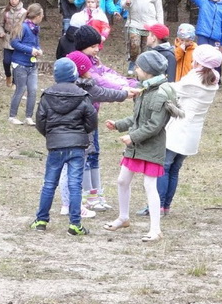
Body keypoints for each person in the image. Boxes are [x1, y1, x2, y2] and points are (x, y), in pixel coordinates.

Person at [103, 50, 183, 243]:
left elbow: (155, 125)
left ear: (148, 71)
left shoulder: (160, 94)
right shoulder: (144, 90)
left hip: (151, 148)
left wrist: (133, 137)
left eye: (138, 67)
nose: (135, 70)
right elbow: (137, 118)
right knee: (122, 180)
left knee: (149, 186)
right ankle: (123, 217)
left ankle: (155, 229)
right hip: (135, 147)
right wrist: (119, 125)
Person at [138, 44, 222, 216]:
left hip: (179, 129)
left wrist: (151, 83)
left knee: (163, 167)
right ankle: (165, 206)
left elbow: (171, 89)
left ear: (199, 63)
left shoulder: (194, 80)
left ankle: (157, 205)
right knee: (174, 169)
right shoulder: (212, 79)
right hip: (193, 131)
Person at [59, 49, 137, 219]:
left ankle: (67, 203)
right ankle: (74, 204)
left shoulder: (62, 88)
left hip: (62, 135)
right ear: (81, 70)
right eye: (88, 68)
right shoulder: (85, 87)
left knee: (65, 168)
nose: (91, 70)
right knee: (75, 169)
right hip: (79, 135)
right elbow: (104, 93)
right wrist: (125, 93)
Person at [30, 58, 97, 236]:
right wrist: (81, 133)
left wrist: (51, 135)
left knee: (49, 184)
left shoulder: (47, 95)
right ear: (74, 75)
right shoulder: (83, 95)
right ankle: (75, 224)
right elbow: (92, 121)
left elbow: (40, 121)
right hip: (77, 146)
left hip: (56, 145)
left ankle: (41, 220)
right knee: (75, 185)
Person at [169, 0, 222, 66]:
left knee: (214, 60)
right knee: (202, 58)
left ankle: (214, 75)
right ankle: (200, 74)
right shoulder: (203, 2)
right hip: (203, 35)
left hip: (216, 38)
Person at [121, 0, 164, 75]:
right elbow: (123, 5)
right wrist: (127, 3)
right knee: (134, 45)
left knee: (146, 48)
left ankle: (144, 67)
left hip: (150, 24)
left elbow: (159, 10)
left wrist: (160, 25)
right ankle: (133, 61)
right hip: (134, 22)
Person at [9, 3, 43, 125]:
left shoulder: (35, 29)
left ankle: (29, 117)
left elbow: (35, 44)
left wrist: (38, 50)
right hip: (20, 64)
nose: (42, 17)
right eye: (42, 15)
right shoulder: (23, 27)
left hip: (32, 65)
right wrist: (30, 50)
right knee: (20, 89)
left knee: (33, 90)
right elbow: (14, 43)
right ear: (37, 16)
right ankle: (12, 116)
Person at [0, 0, 26, 88]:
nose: (13, 1)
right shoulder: (5, 12)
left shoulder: (24, 12)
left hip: (19, 39)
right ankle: (8, 76)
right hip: (7, 39)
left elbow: (27, 26)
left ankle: (15, 81)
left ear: (19, 0)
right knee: (7, 61)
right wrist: (1, 32)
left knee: (16, 62)